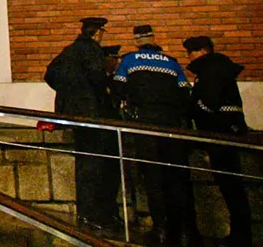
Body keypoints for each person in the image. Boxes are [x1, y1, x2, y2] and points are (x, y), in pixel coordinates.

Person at [113, 24, 198, 245]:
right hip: (171, 126)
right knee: (178, 179)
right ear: (153, 39)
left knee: (153, 178)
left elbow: (118, 88)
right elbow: (184, 92)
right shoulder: (171, 62)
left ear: (136, 41)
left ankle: (160, 229)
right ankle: (186, 232)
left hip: (146, 125)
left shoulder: (129, 61)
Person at [43, 16, 121, 233]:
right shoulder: (93, 51)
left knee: (85, 165)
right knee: (96, 167)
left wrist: (70, 95)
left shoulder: (69, 51)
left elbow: (49, 75)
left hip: (74, 116)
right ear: (97, 33)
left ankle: (86, 215)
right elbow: (98, 79)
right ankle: (94, 215)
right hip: (93, 116)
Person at [183, 36, 253, 247]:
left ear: (203, 51)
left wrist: (191, 104)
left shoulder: (210, 70)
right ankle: (241, 235)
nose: (189, 57)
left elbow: (208, 103)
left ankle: (241, 237)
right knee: (233, 187)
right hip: (227, 132)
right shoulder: (221, 68)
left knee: (231, 187)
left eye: (191, 52)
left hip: (219, 135)